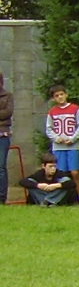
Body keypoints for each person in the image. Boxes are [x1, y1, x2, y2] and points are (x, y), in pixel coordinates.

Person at [44, 85, 79, 204]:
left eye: (61, 94)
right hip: (58, 147)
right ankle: (62, 197)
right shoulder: (52, 111)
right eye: (57, 96)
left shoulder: (75, 109)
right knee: (60, 173)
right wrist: (56, 138)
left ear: (66, 95)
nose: (60, 97)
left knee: (75, 172)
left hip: (72, 146)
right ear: (53, 98)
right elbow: (49, 128)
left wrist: (73, 139)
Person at [0, 71, 11, 202]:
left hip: (2, 135)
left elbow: (8, 113)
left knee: (1, 167)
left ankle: (2, 197)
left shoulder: (7, 95)